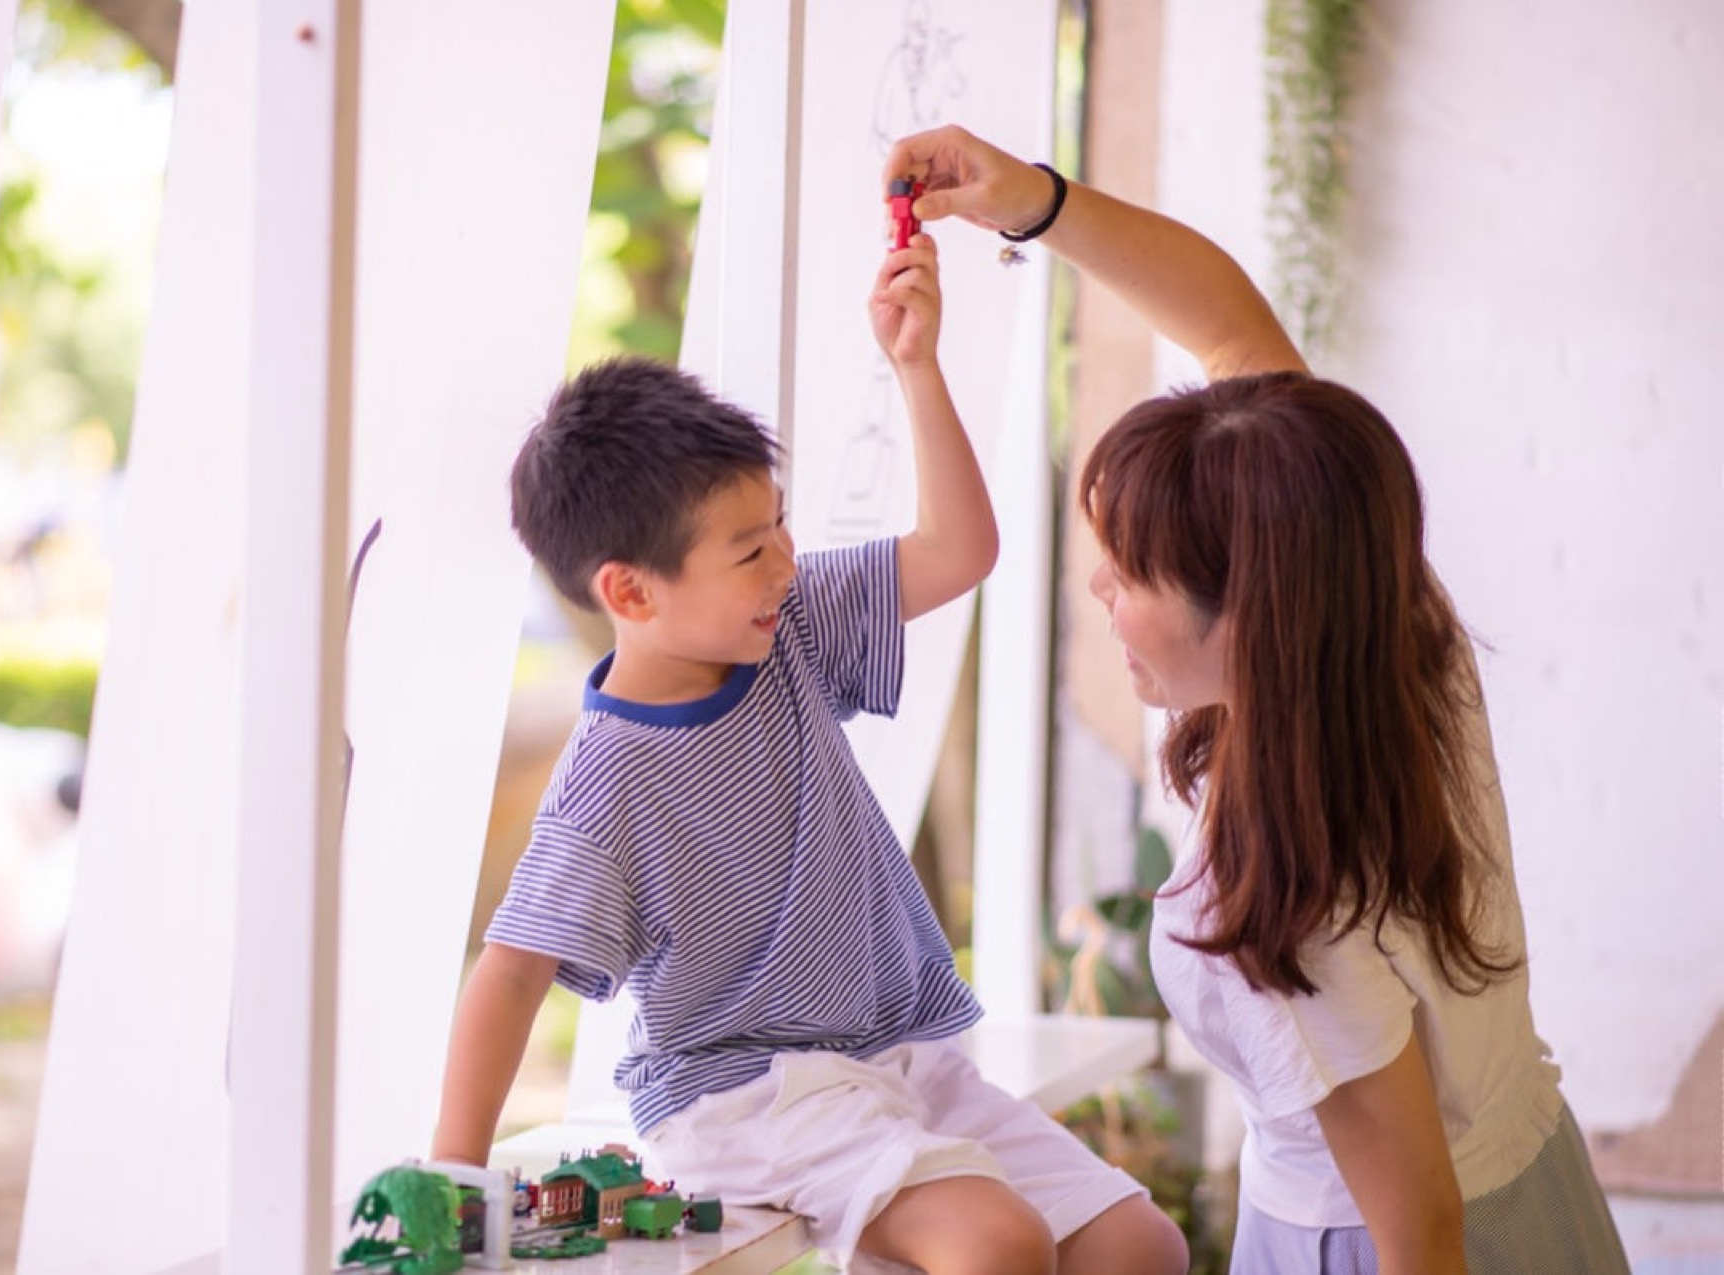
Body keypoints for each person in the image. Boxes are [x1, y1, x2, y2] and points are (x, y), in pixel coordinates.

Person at [881, 124, 1632, 1274]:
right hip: (1541, 1191)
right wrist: (1026, 198)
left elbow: (1420, 1228)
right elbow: (1230, 325)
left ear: (1251, 615)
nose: (1098, 588)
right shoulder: (1393, 626)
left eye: (1129, 576)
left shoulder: (1280, 898)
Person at [429, 233, 1190, 1275]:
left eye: (779, 528)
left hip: (899, 1061)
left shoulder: (790, 624)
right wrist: (456, 1183)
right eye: (749, 550)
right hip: (747, 1098)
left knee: (1139, 1246)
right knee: (996, 1246)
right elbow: (511, 974)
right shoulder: (605, 786)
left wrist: (916, 367)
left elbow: (961, 550)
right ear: (630, 593)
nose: (785, 560)